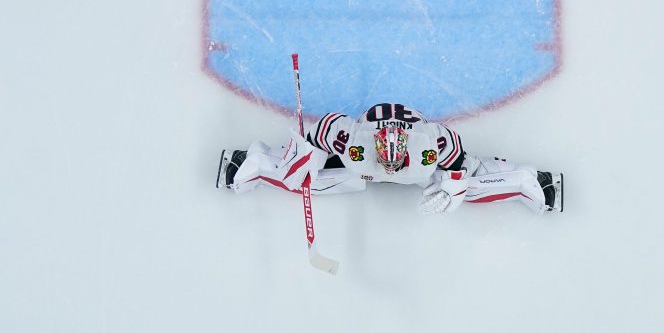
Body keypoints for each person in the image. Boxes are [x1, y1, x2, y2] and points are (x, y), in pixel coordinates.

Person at [217, 102, 563, 213]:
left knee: (468, 186)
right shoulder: (354, 142)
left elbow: (462, 168)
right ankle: (255, 163)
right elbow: (317, 133)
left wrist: (453, 190)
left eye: (395, 164)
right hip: (361, 156)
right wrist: (303, 159)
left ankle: (527, 182)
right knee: (315, 181)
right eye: (386, 162)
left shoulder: (431, 144)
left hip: (425, 163)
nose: (390, 168)